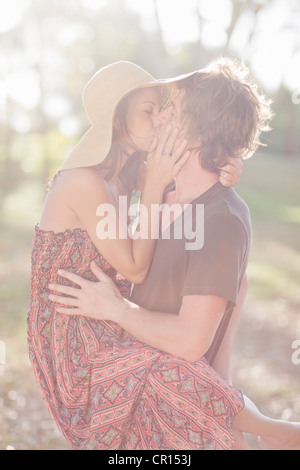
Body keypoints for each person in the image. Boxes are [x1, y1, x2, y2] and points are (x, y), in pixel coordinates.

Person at [48, 58, 300, 450]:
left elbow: (189, 342)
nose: (162, 115)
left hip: (171, 397)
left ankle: (277, 433)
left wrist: (114, 308)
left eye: (171, 108)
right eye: (155, 108)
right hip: (146, 383)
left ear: (196, 133)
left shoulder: (221, 219)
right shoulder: (159, 187)